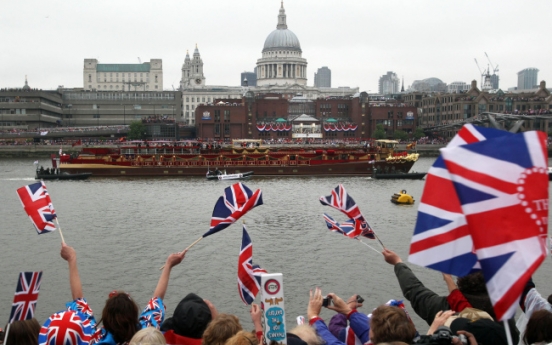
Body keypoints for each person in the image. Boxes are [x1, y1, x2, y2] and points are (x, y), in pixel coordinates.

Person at [42, 243, 186, 345]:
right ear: (133, 314)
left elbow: (78, 300)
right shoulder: (145, 334)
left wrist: (72, 259)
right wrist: (168, 265)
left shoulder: (92, 338)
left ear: (105, 317)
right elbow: (157, 299)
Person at [382, 248, 519, 344]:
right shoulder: (504, 312)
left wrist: (398, 263)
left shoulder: (445, 311)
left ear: (460, 281)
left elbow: (415, 291)